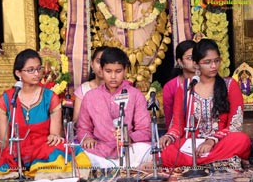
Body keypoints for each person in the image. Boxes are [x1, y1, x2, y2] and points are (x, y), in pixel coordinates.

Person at [0, 49, 90, 181]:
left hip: (43, 147)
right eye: (30, 70)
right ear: (18, 73)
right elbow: (4, 140)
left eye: (38, 69)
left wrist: (54, 136)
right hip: (15, 150)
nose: (36, 74)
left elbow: (55, 134)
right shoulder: (7, 99)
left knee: (59, 158)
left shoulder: (50, 97)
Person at [159, 39, 251, 168]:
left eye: (216, 61)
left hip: (220, 142)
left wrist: (211, 140)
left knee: (242, 140)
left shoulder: (230, 85)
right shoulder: (185, 87)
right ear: (196, 64)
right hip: (192, 145)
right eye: (207, 62)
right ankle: (220, 161)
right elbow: (177, 125)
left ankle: (197, 163)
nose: (214, 66)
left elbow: (235, 125)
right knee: (167, 151)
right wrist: (170, 136)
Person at [76, 47, 151, 168]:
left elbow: (145, 130)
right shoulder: (90, 97)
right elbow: (83, 127)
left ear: (125, 70)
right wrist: (87, 138)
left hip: (129, 149)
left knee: (147, 149)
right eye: (108, 71)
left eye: (118, 71)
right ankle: (128, 167)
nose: (113, 76)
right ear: (101, 70)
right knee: (80, 155)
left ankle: (120, 166)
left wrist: (129, 137)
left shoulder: (135, 95)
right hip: (100, 150)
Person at [162, 40, 196, 129]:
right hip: (179, 132)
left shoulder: (206, 81)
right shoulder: (170, 87)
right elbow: (169, 118)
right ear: (180, 62)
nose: (194, 61)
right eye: (189, 58)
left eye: (197, 57)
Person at [72, 46, 108, 122]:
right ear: (92, 64)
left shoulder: (120, 90)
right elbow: (76, 121)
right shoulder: (83, 90)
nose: (102, 66)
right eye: (98, 61)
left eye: (106, 62)